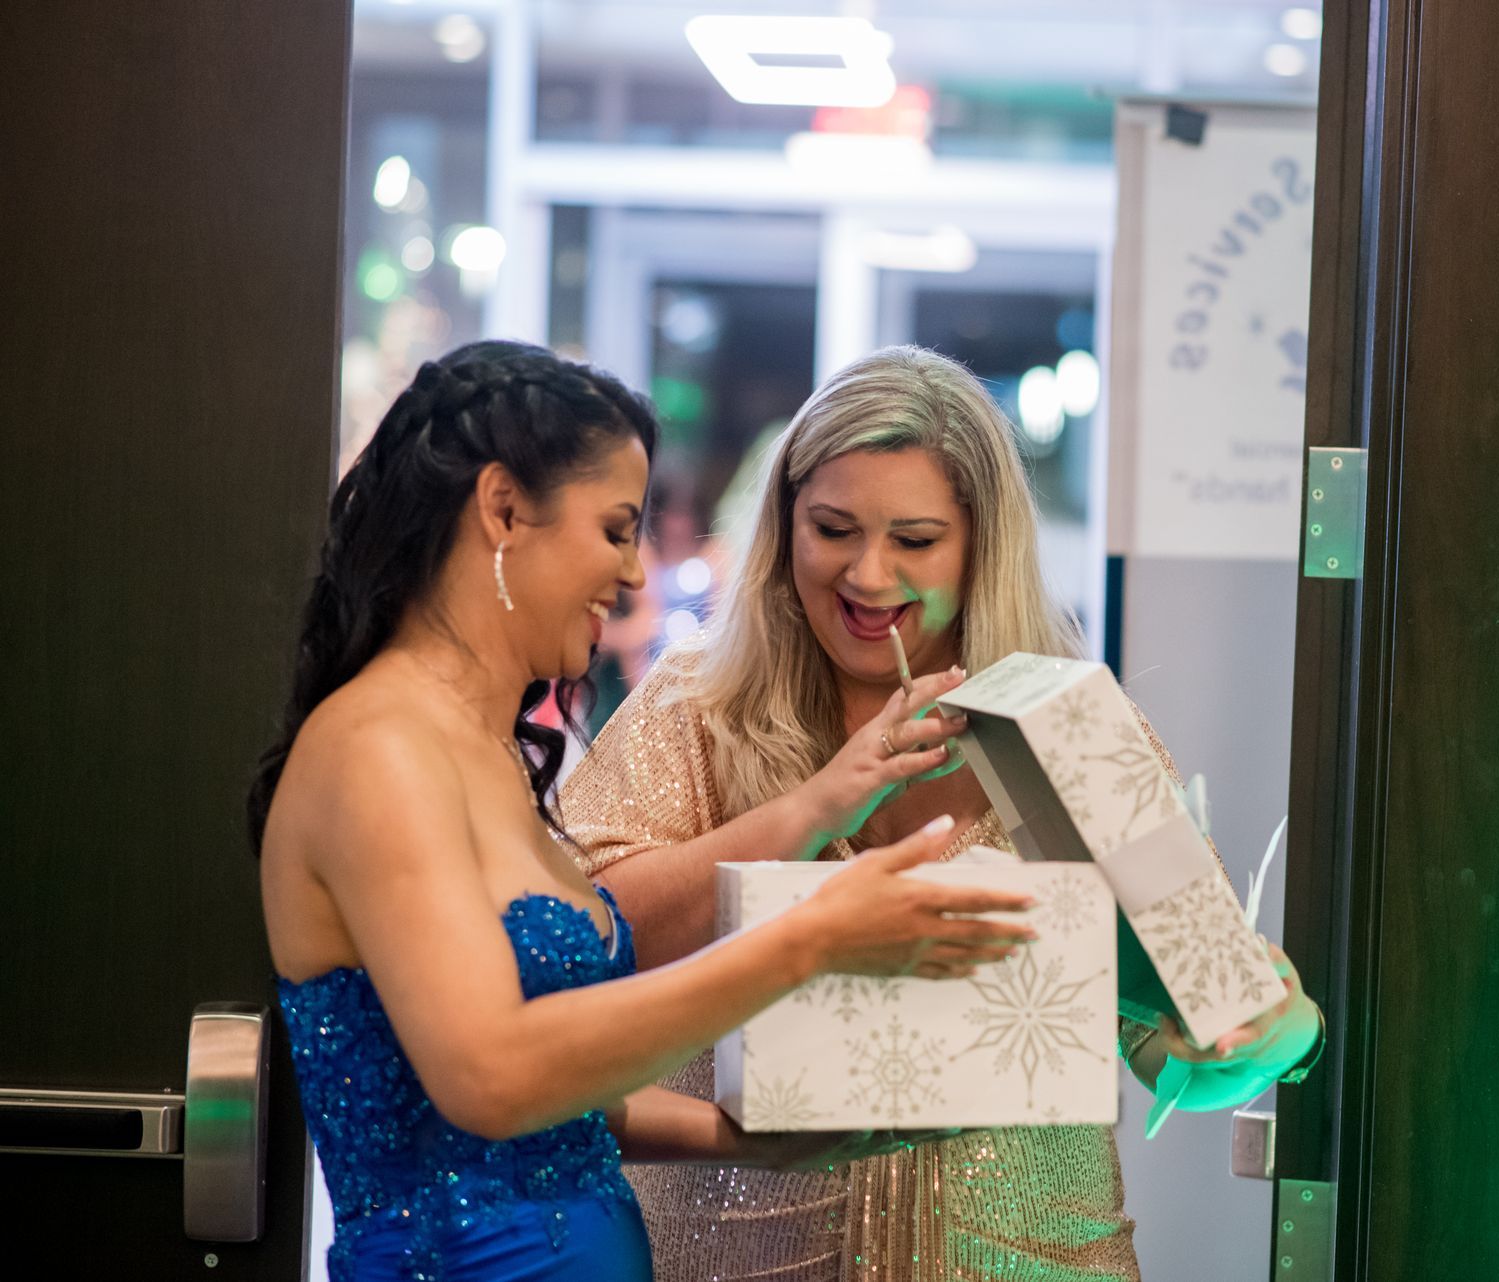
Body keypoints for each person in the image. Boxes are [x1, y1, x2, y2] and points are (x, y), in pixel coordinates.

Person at [252, 341, 1035, 1282]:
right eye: (617, 528)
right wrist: (808, 939)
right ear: (504, 509)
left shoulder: (486, 754)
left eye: (914, 540)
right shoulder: (376, 749)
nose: (633, 574)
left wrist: (749, 1138)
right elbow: (493, 1076)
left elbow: (568, 1097)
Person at [563, 345, 1324, 1281]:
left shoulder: (1073, 726)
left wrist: (1259, 1039)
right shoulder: (695, 707)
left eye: (915, 540)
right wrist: (813, 806)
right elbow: (584, 941)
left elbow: (1163, 1039)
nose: (868, 576)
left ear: (981, 543)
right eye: (833, 529)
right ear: (783, 523)